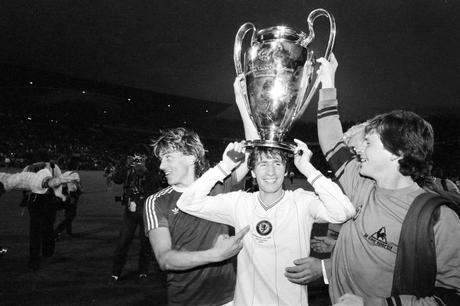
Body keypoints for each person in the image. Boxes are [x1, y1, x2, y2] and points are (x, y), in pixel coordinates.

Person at [299, 54, 460, 305]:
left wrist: (371, 304)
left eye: (368, 143)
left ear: (397, 154)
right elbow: (332, 141)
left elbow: (451, 297)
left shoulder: (438, 219)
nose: (359, 149)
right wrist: (328, 83)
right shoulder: (360, 185)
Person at [176, 139, 355, 305]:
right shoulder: (239, 203)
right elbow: (186, 203)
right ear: (252, 172)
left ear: (286, 170)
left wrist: (308, 168)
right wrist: (225, 166)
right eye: (263, 164)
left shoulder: (302, 202)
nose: (271, 172)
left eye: (277, 164)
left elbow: (343, 211)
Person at [144, 127, 251, 306]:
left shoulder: (217, 186)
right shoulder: (156, 202)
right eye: (161, 159)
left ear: (191, 157)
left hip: (229, 298)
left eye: (168, 157)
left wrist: (241, 100)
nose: (162, 166)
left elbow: (254, 148)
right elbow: (165, 259)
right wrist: (214, 255)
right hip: (185, 300)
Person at [108, 145, 164, 284]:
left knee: (145, 243)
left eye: (141, 155)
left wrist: (145, 171)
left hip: (146, 210)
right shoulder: (129, 167)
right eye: (136, 155)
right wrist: (126, 167)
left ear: (146, 156)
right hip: (130, 210)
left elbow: (158, 182)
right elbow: (117, 179)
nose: (138, 158)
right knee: (123, 242)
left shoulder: (153, 166)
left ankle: (143, 271)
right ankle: (115, 273)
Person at [54, 171, 82, 240]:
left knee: (68, 214)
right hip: (70, 196)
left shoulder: (65, 173)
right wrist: (79, 191)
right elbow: (72, 189)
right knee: (71, 214)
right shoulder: (74, 174)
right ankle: (57, 231)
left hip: (61, 195)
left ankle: (68, 232)